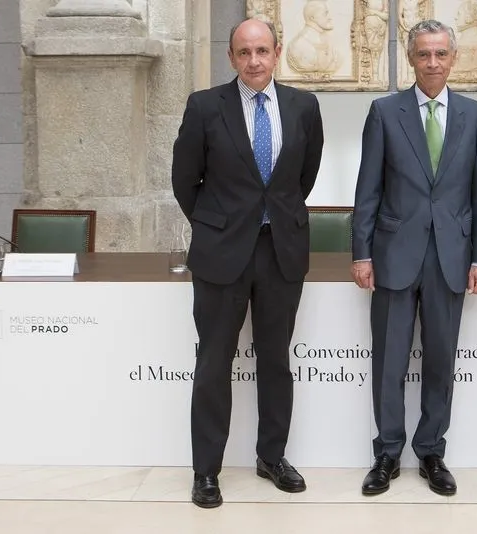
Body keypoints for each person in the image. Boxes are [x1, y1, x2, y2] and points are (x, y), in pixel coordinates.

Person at [171, 17, 324, 509]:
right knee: (214, 362)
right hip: (222, 253)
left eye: (262, 51)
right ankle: (206, 471)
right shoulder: (204, 106)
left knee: (276, 361)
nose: (254, 61)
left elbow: (304, 176)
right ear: (232, 57)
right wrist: (217, 223)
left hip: (280, 249)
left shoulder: (304, 106)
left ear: (276, 53)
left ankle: (271, 457)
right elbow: (184, 179)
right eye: (244, 52)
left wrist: (271, 217)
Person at [351, 19, 477, 497]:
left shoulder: (474, 115)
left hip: (451, 257)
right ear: (410, 59)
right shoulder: (384, 111)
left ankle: (431, 451)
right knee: (389, 362)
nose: (432, 63)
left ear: (453, 58)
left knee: (439, 361)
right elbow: (367, 189)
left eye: (440, 54)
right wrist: (362, 252)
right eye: (423, 55)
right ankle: (387, 454)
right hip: (393, 254)